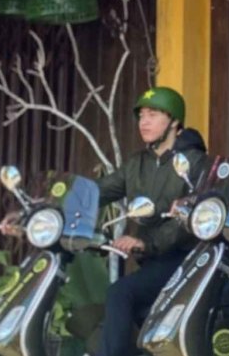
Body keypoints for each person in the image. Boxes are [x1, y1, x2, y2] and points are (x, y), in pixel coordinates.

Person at [93, 86, 207, 356]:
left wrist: (146, 242)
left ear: (174, 121)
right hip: (150, 262)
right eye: (141, 115)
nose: (144, 121)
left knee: (120, 293)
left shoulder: (194, 162)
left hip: (183, 260)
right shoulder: (137, 164)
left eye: (153, 115)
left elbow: (187, 218)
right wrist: (50, 206)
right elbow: (100, 190)